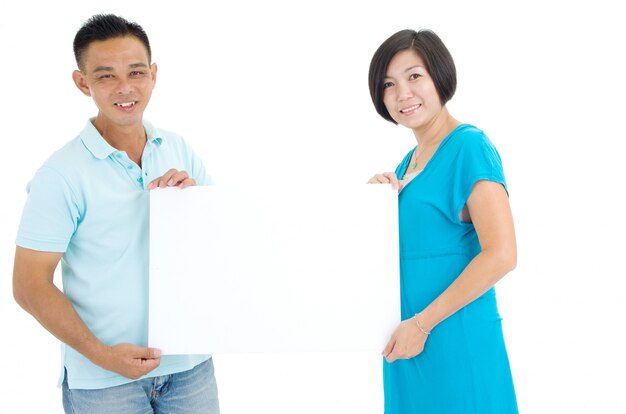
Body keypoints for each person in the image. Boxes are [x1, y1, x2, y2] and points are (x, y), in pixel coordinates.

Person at [12, 14, 219, 413]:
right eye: (106, 76)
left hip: (191, 366)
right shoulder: (61, 173)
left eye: (136, 72)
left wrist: (194, 207)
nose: (126, 88)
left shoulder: (179, 149)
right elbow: (28, 285)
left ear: (154, 75)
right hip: (104, 382)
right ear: (82, 82)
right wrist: (101, 354)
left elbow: (220, 245)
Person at [367, 29, 519, 413]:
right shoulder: (408, 163)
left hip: (453, 341)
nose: (403, 94)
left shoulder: (469, 147)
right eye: (389, 84)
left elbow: (502, 254)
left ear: (440, 75)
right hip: (408, 347)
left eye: (414, 76)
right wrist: (373, 203)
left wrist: (421, 326)